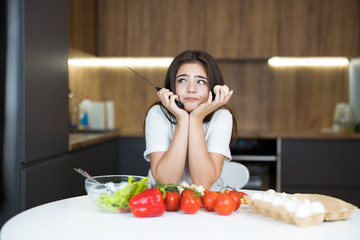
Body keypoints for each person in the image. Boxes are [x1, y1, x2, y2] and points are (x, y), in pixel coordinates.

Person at [143, 50, 237, 190]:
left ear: (212, 87)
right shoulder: (158, 114)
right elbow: (166, 182)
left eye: (201, 81)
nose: (191, 89)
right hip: (164, 204)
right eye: (182, 80)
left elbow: (202, 184)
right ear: (172, 87)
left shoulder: (221, 116)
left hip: (206, 206)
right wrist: (182, 120)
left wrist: (195, 120)